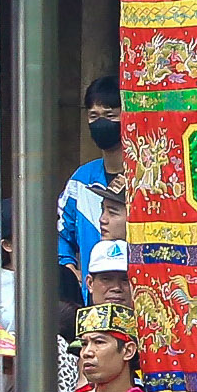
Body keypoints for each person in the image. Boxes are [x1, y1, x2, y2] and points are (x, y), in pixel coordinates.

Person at [58, 82, 124, 281]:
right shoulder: (81, 180)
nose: (100, 123)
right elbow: (60, 233)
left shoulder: (146, 176)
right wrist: (68, 268)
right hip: (92, 298)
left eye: (110, 115)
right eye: (93, 116)